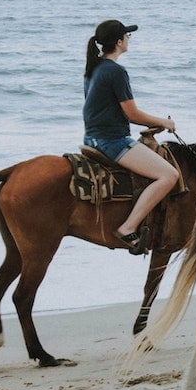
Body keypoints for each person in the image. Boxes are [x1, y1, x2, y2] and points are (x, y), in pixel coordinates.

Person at [82, 19, 178, 255]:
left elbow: (107, 110)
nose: (129, 39)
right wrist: (163, 122)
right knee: (169, 175)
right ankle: (128, 227)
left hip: (93, 137)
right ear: (119, 42)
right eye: (127, 36)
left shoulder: (94, 67)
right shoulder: (116, 71)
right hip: (111, 140)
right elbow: (132, 114)